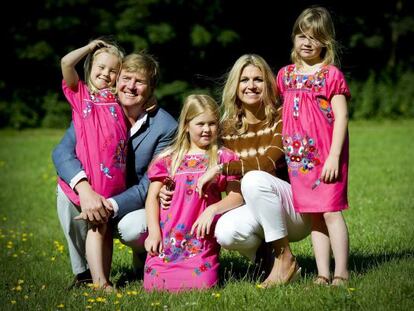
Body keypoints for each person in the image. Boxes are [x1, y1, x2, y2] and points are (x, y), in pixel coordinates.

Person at [160, 54, 311, 288]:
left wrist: (221, 167)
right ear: (235, 86)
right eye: (244, 80)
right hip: (255, 207)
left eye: (258, 79)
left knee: (252, 179)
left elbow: (268, 163)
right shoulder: (226, 130)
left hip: (295, 209)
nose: (251, 86)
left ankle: (285, 258)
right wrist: (166, 189)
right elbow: (192, 160)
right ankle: (270, 264)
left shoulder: (283, 116)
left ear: (268, 84)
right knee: (226, 231)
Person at [52, 51, 177, 289]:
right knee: (65, 192)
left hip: (134, 203)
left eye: (139, 82)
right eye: (126, 78)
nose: (130, 86)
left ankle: (143, 257)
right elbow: (62, 152)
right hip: (95, 190)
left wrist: (110, 205)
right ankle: (85, 273)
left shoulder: (165, 126)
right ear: (117, 79)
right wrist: (85, 189)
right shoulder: (96, 107)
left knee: (134, 229)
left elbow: (151, 181)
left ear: (151, 88)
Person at [276, 6, 350, 286]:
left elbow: (341, 116)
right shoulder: (285, 76)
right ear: (294, 38)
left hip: (327, 155)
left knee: (331, 211)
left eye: (314, 37)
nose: (307, 42)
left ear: (326, 42)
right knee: (315, 215)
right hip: (299, 160)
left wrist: (333, 156)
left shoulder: (331, 75)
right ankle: (322, 273)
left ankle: (341, 271)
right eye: (302, 35)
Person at [143, 94, 243, 292]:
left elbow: (237, 197)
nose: (207, 129)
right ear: (186, 125)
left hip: (200, 240)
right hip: (167, 237)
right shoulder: (168, 159)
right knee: (153, 287)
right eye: (200, 124)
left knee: (203, 285)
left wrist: (212, 210)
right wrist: (153, 232)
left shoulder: (224, 158)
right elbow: (152, 198)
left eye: (212, 123)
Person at [57, 37, 126, 291]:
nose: (106, 74)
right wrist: (88, 48)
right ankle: (100, 282)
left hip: (114, 181)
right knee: (97, 226)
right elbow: (66, 62)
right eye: (101, 67)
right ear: (90, 67)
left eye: (113, 71)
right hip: (91, 178)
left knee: (103, 229)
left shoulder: (119, 99)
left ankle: (101, 276)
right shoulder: (81, 95)